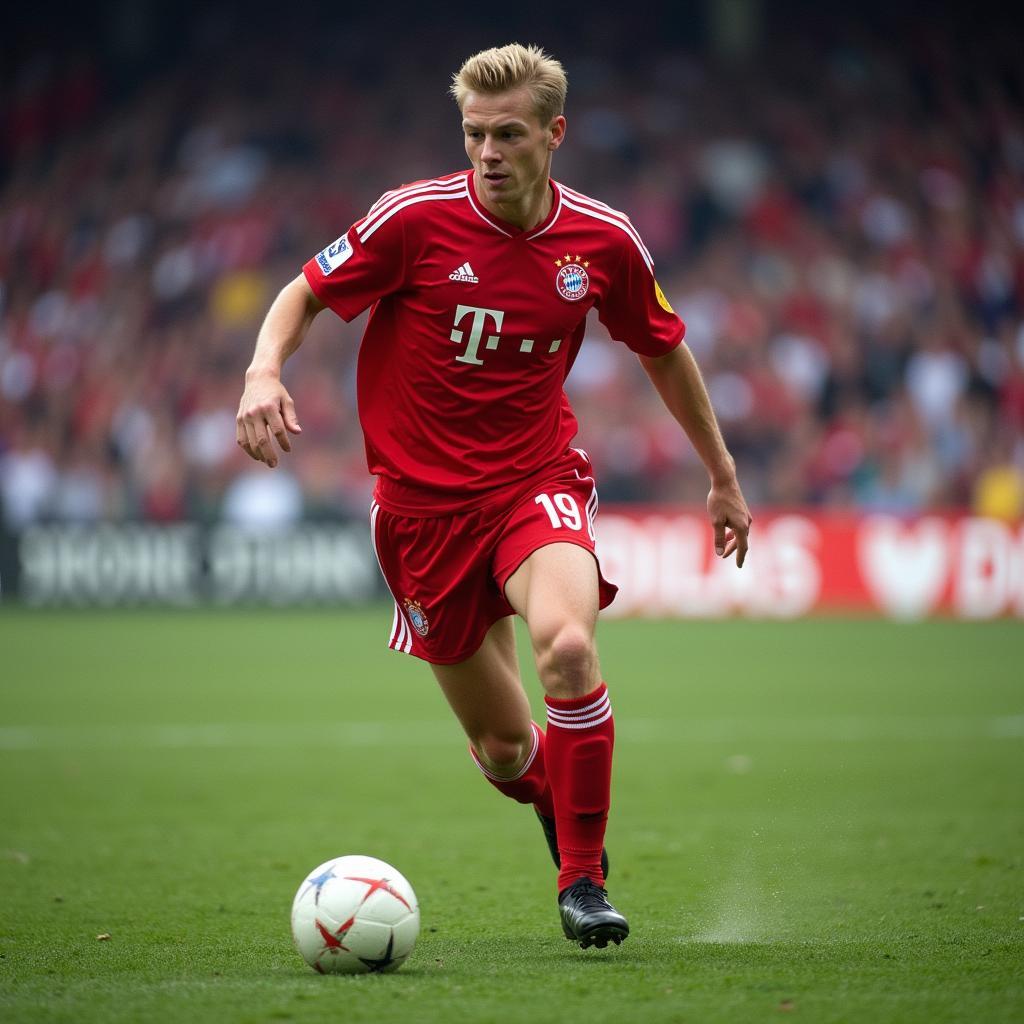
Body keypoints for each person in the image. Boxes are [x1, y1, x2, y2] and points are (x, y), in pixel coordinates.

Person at [236, 43, 751, 950]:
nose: (488, 152)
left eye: (508, 133)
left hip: (533, 483)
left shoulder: (603, 240)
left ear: (555, 134)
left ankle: (583, 881)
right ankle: (560, 808)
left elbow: (663, 347)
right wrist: (261, 371)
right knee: (510, 752)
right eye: (474, 134)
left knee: (566, 648)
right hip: (419, 514)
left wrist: (722, 475)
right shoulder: (413, 220)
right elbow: (302, 293)